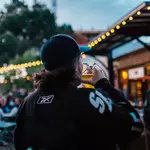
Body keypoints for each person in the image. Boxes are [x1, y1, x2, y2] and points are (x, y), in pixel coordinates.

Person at [14, 34, 143, 150]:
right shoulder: (87, 98)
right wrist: (103, 83)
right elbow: (135, 125)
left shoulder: (28, 102)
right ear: (76, 64)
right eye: (80, 59)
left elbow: (19, 143)